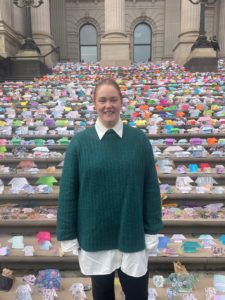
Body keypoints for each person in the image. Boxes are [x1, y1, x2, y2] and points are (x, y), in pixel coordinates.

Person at [57, 78, 163, 300]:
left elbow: (151, 189)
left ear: (121, 102)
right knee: (103, 295)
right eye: (102, 100)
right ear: (94, 104)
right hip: (95, 236)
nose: (108, 105)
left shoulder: (139, 141)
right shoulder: (79, 144)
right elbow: (68, 192)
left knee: (137, 295)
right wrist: (67, 233)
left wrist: (152, 229)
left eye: (113, 99)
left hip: (132, 234)